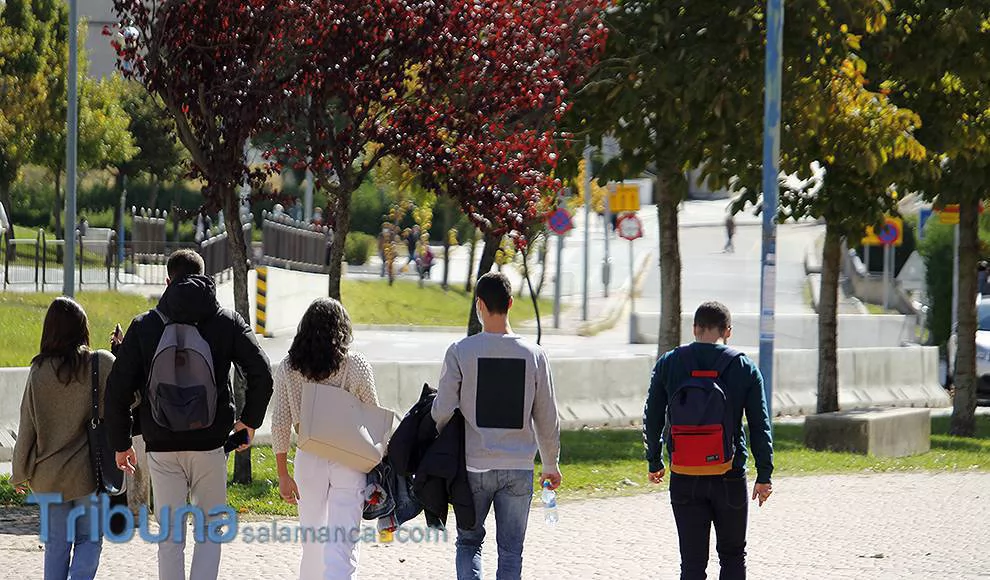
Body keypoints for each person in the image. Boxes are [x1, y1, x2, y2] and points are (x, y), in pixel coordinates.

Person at [105, 249, 274, 580]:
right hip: (210, 444)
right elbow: (261, 373)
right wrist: (249, 421)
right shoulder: (226, 321)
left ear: (168, 281)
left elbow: (117, 389)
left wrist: (121, 442)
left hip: (161, 447)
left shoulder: (144, 326)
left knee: (170, 537)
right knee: (210, 530)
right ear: (203, 276)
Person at [432, 272, 561, 580]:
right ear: (511, 304)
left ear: (479, 305)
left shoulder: (460, 352)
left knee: (469, 543)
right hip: (519, 469)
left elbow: (443, 411)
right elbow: (547, 416)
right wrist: (551, 464)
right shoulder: (534, 355)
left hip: (474, 467)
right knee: (511, 552)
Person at [643, 301, 774, 580]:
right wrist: (764, 474)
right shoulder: (743, 366)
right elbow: (760, 424)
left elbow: (652, 415)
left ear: (694, 328)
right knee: (733, 558)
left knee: (691, 564)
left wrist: (654, 460)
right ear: (728, 331)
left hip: (684, 474)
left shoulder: (669, 363)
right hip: (729, 475)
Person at [271, 298, 379, 579]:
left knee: (312, 541)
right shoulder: (355, 365)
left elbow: (280, 421)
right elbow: (374, 415)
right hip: (349, 458)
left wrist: (282, 473)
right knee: (343, 543)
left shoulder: (289, 367)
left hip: (309, 457)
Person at [11, 297, 114, 580]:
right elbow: (131, 399)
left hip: (48, 477)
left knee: (56, 546)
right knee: (90, 540)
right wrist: (120, 351)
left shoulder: (38, 372)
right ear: (83, 329)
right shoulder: (99, 363)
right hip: (87, 476)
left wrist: (19, 473)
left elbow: (27, 425)